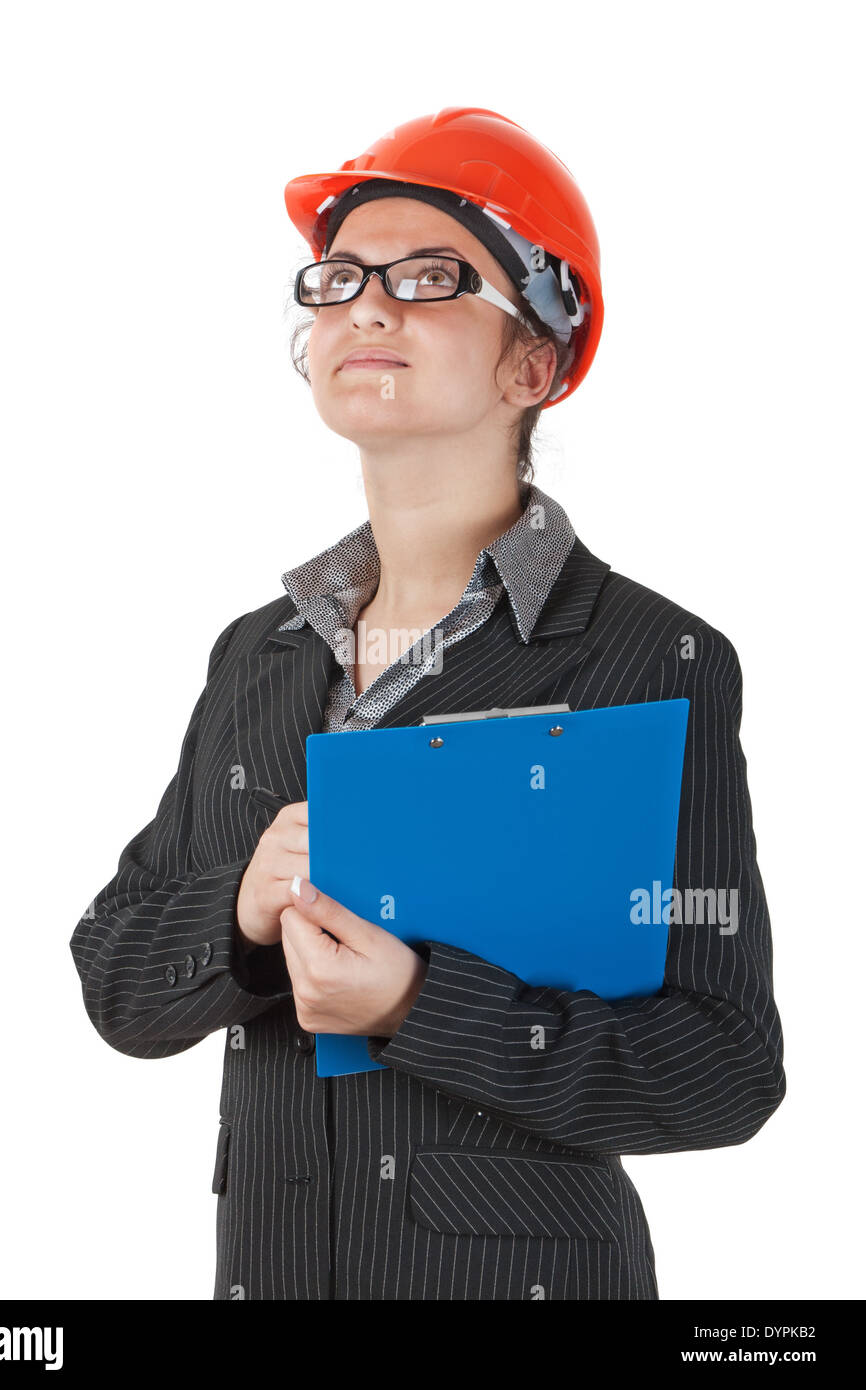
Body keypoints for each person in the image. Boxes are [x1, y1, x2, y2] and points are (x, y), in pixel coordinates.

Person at [70, 107, 786, 1301]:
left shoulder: (649, 655)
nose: (366, 303)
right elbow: (114, 980)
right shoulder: (256, 655)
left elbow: (723, 1066)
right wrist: (239, 912)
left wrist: (417, 1002)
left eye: (431, 276)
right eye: (340, 275)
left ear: (536, 361)